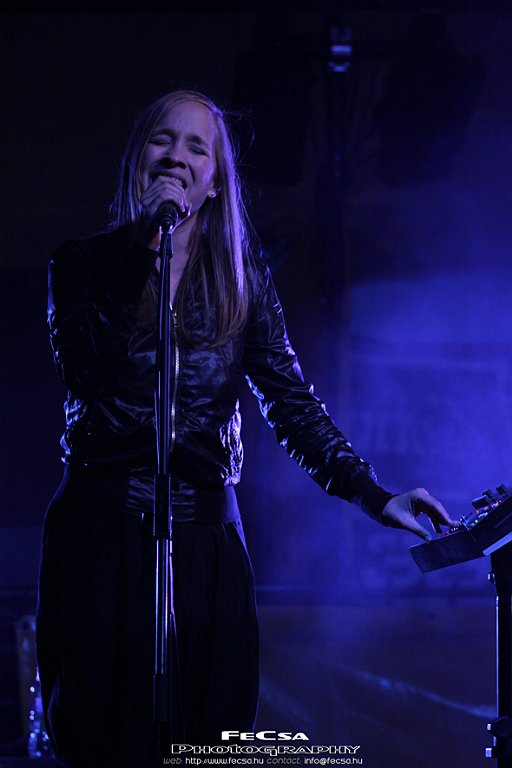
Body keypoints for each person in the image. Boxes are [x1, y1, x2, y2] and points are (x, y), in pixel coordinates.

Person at [36, 88, 455, 768]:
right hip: (100, 532)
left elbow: (291, 402)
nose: (177, 155)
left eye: (196, 147)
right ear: (137, 159)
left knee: (208, 739)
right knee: (99, 736)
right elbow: (86, 371)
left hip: (205, 537)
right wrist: (142, 248)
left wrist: (373, 494)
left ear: (215, 181)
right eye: (162, 140)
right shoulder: (81, 264)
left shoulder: (241, 279)